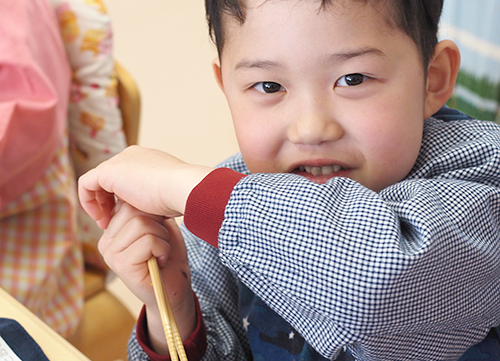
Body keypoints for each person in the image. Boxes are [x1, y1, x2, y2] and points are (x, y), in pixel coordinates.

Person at [78, 0, 500, 360]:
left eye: (352, 79)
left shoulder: (483, 172)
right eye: (268, 85)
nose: (310, 128)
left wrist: (184, 187)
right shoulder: (230, 201)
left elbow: (379, 283)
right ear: (227, 88)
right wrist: (174, 307)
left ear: (434, 78)